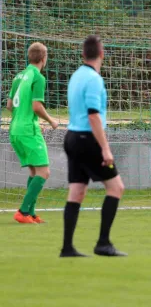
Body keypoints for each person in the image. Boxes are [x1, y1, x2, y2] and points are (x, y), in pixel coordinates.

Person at [61, 35, 126, 257]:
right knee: (116, 188)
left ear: (82, 54)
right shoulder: (94, 79)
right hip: (87, 140)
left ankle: (67, 247)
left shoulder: (76, 76)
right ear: (102, 54)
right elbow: (93, 116)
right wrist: (105, 148)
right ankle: (103, 243)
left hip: (71, 137)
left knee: (77, 191)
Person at [8, 42, 58, 224]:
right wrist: (51, 120)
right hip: (28, 130)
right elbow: (36, 106)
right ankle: (22, 212)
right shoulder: (38, 77)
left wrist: (30, 121)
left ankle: (30, 213)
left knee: (34, 170)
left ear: (29, 57)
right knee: (44, 172)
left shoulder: (18, 76)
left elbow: (9, 105)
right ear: (44, 58)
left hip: (15, 130)